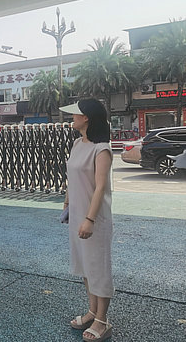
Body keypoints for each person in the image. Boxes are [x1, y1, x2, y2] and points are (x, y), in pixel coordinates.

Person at [60, 99, 113, 342]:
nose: (72, 118)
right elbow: (72, 178)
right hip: (77, 214)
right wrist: (67, 202)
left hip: (95, 218)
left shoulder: (101, 149)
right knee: (84, 265)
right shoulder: (77, 144)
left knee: (98, 267)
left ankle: (102, 319)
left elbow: (100, 187)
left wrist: (89, 219)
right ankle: (92, 311)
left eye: (75, 114)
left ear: (86, 118)